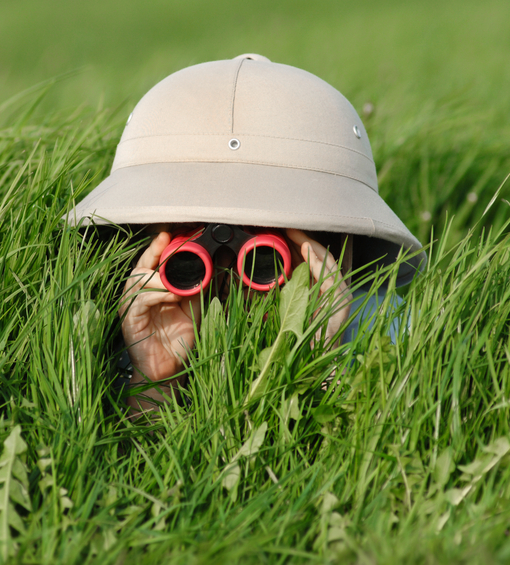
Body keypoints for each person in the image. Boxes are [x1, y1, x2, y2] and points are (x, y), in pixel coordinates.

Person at [69, 54, 425, 414]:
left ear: (329, 245)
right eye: (191, 257)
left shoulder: (392, 333)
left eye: (263, 258)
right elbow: (125, 469)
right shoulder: (107, 340)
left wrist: (318, 359)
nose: (227, 275)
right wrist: (155, 376)